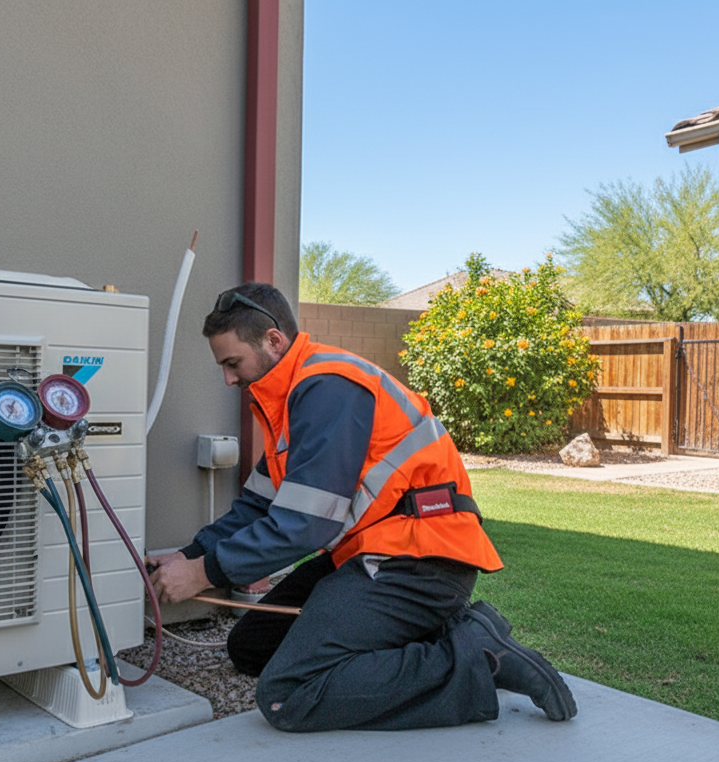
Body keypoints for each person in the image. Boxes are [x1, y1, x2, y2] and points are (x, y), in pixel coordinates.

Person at [147, 282, 576, 732]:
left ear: (273, 341)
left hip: (419, 563)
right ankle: (442, 631)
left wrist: (203, 574)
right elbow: (256, 507)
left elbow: (304, 526)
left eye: (232, 363)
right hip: (373, 555)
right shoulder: (291, 403)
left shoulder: (328, 387)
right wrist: (189, 555)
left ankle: (476, 657)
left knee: (285, 695)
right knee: (251, 648)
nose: (229, 379)